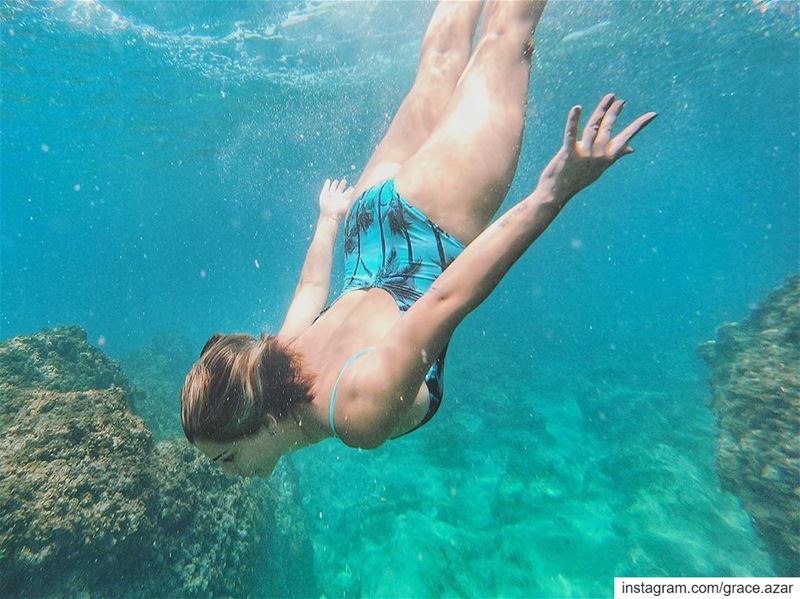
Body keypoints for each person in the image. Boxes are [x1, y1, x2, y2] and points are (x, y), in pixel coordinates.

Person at [180, 0, 656, 478]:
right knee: (441, 65)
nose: (227, 473)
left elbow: (446, 299)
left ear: (260, 423)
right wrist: (328, 221)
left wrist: (549, 196)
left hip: (434, 222)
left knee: (508, 35)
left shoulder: (355, 416)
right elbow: (309, 291)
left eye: (227, 458)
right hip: (365, 228)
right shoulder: (275, 359)